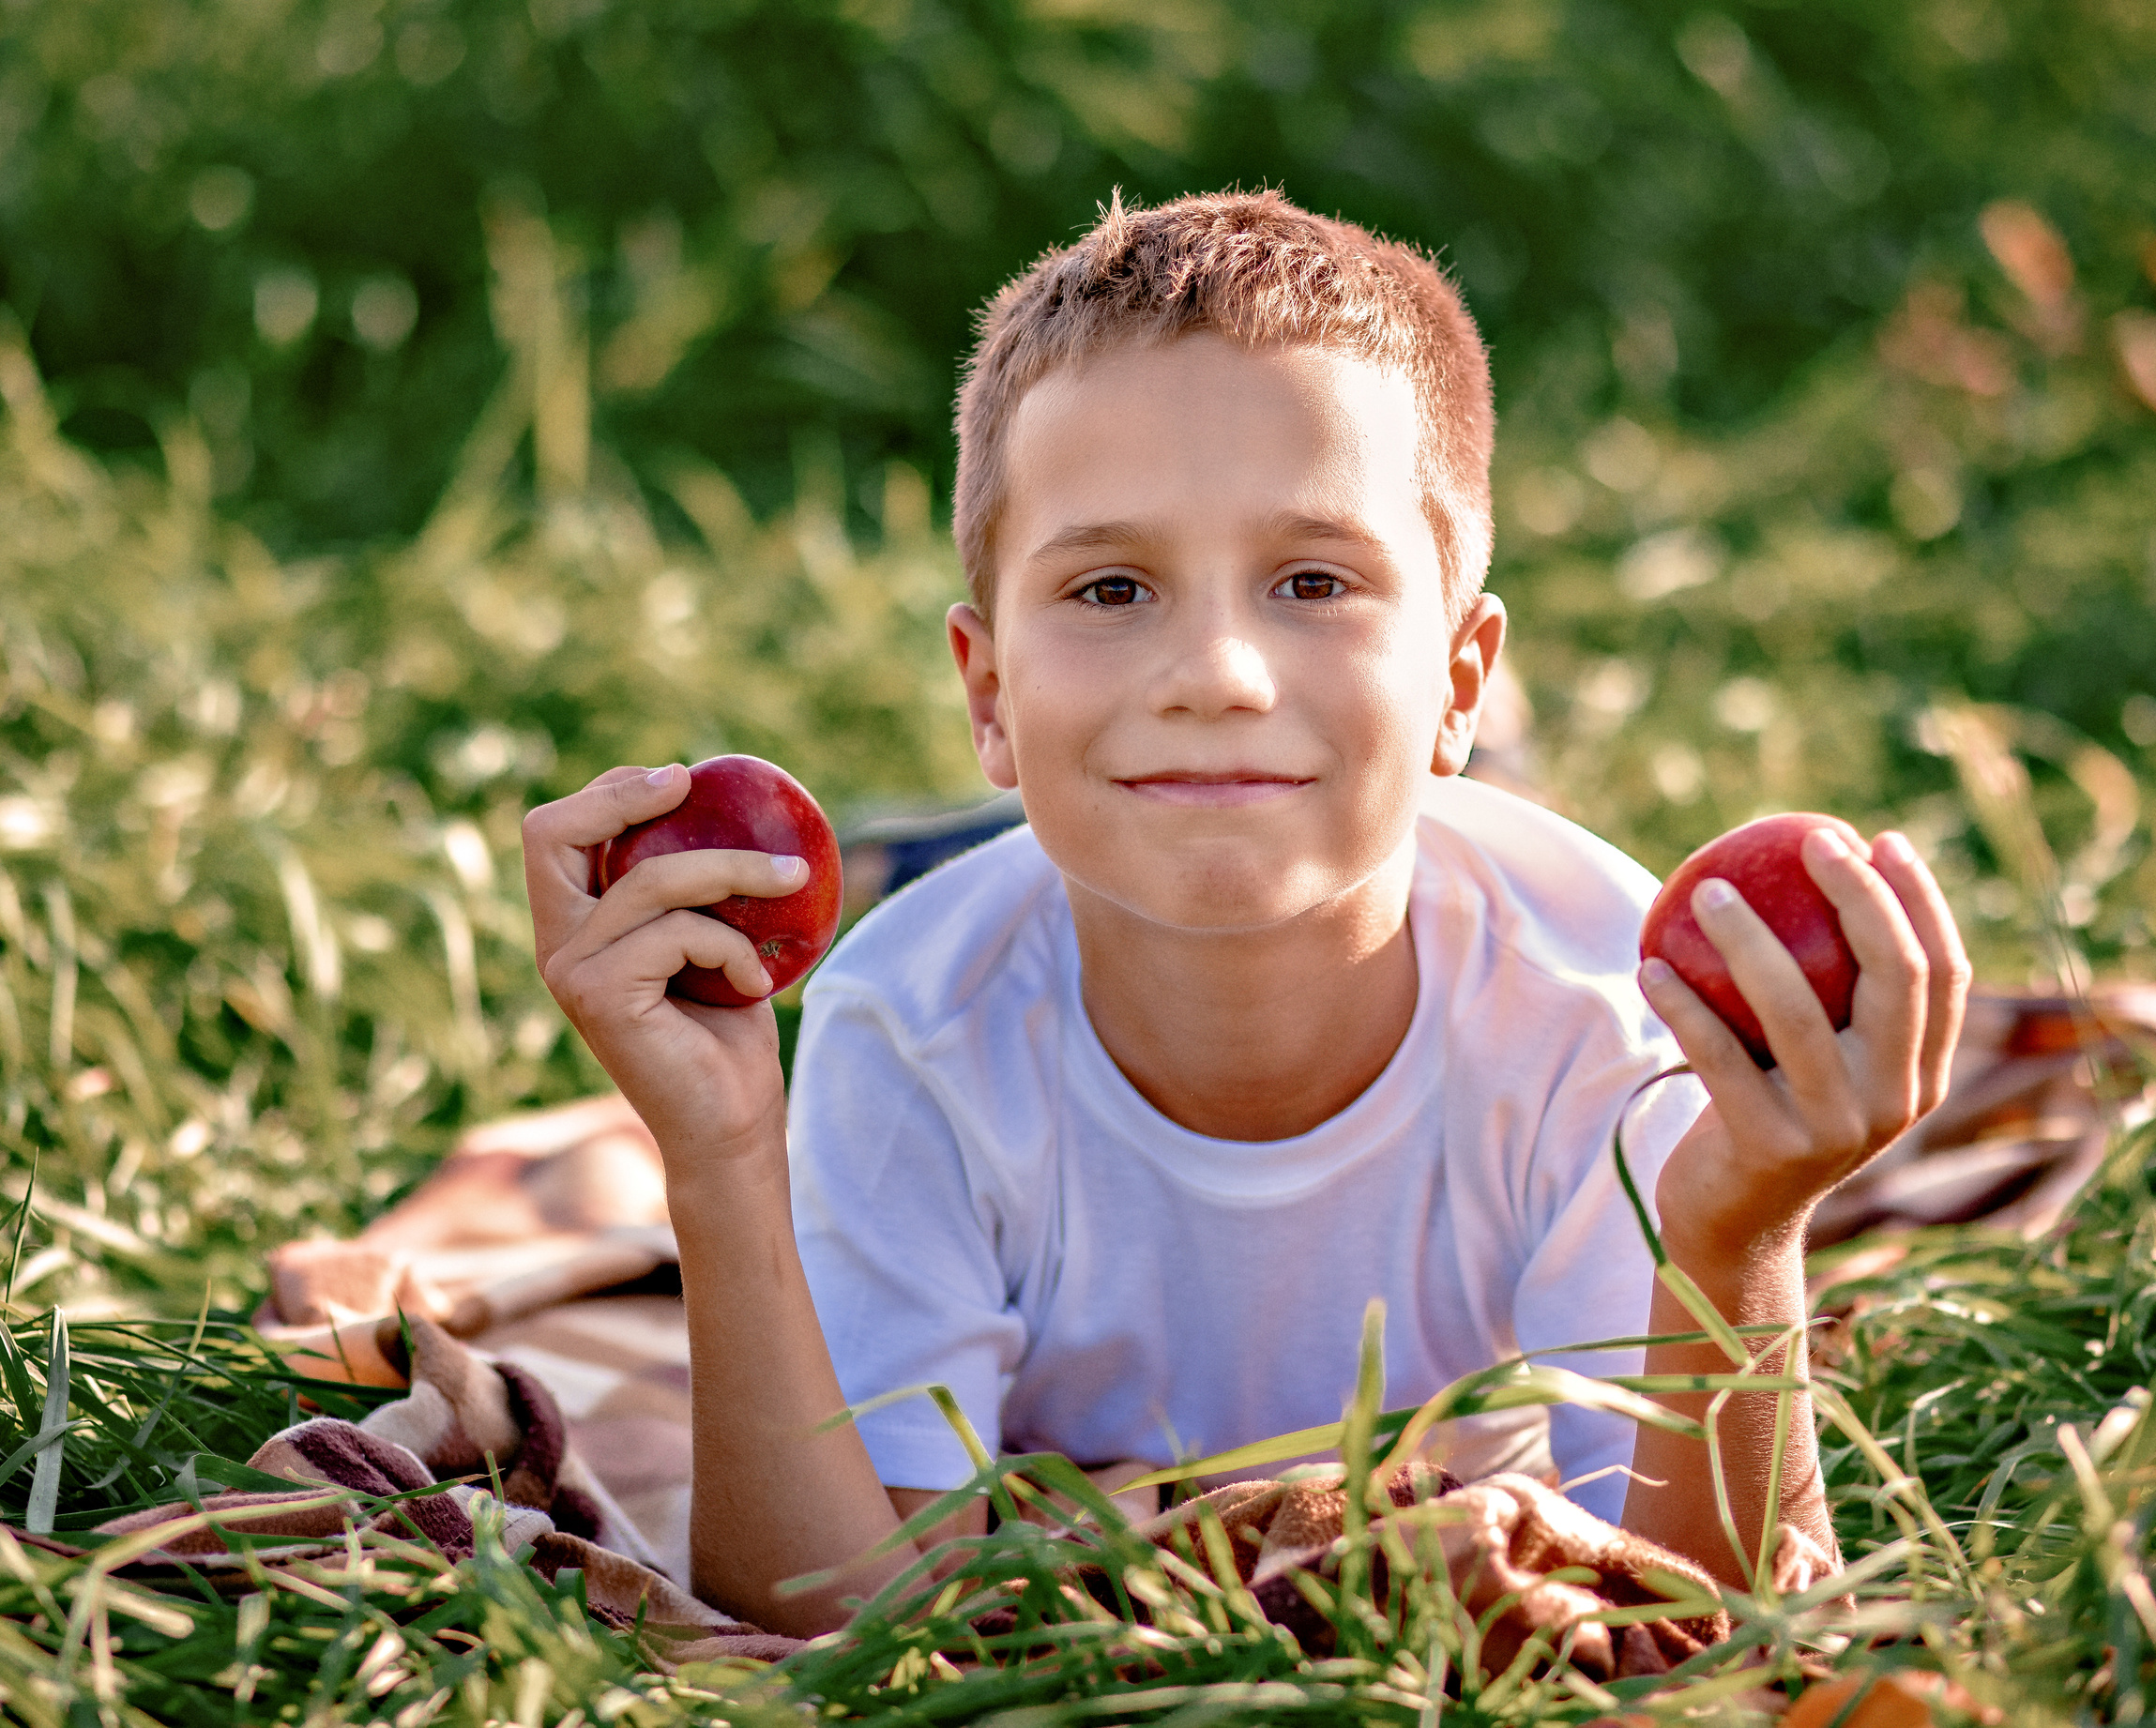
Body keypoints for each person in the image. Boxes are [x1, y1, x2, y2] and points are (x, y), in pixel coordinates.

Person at [524, 191, 1970, 1637]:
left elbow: (1714, 1620)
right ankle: (977, 823)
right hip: (1024, 879)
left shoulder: (1601, 1004)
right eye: (1110, 586)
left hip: (1336, 830)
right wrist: (719, 1161)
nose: (1215, 666)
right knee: (1056, 856)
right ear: (986, 692)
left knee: (1256, 792)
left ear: (1457, 675)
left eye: (1314, 580)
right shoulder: (907, 1027)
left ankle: (1453, 757)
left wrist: (1738, 1235)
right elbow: (832, 1628)